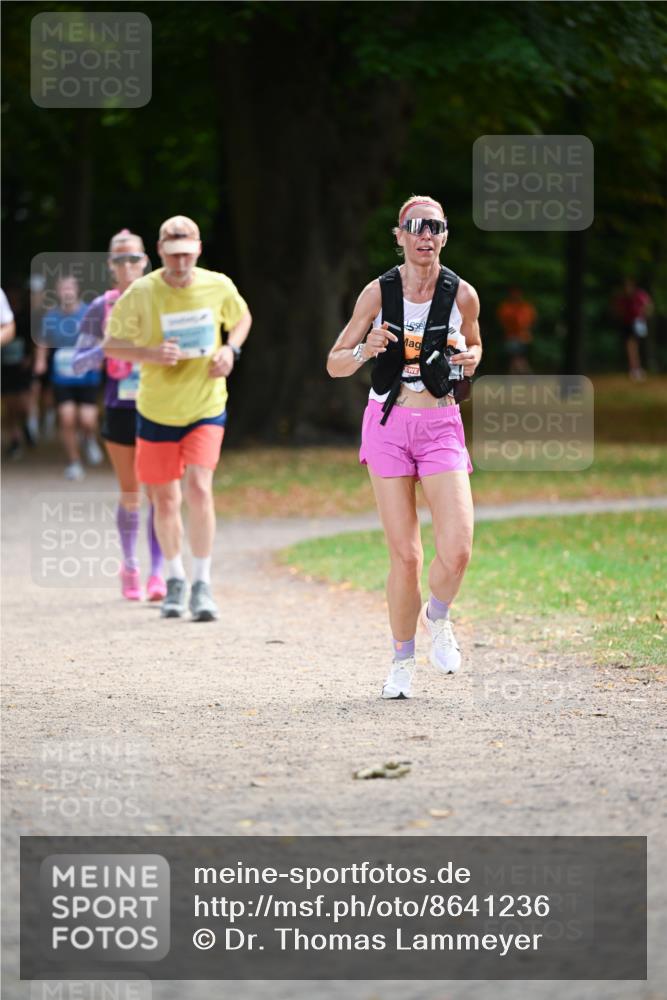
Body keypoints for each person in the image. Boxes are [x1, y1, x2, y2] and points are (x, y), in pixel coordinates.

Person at [327, 195, 482, 700]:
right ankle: (401, 661)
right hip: (388, 425)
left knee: (457, 550)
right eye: (415, 226)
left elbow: (476, 347)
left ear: (445, 235)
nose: (425, 234)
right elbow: (334, 363)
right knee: (407, 557)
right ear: (400, 236)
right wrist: (363, 348)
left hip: (441, 425)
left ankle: (438, 615)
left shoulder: (462, 295)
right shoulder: (378, 292)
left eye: (434, 226)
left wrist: (469, 357)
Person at [103, 215, 252, 622]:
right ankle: (174, 578)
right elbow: (111, 344)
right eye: (173, 255)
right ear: (160, 251)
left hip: (206, 406)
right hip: (157, 410)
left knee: (200, 488)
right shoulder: (142, 292)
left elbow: (241, 318)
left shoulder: (218, 285)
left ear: (198, 249)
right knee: (166, 499)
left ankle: (202, 583)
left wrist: (230, 350)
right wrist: (149, 354)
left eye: (187, 254)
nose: (181, 263)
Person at [72, 229, 166, 602]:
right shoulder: (102, 307)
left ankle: (158, 572)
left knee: (161, 494)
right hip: (120, 408)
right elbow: (77, 362)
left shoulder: (162, 300)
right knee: (131, 493)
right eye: (120, 259)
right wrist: (107, 349)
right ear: (111, 265)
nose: (127, 265)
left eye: (134, 258)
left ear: (146, 261)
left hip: (161, 407)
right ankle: (130, 565)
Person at [35, 275, 104, 480]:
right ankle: (74, 462)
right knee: (67, 418)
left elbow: (101, 338)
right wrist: (40, 360)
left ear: (77, 290)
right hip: (62, 376)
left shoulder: (90, 313)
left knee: (87, 420)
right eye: (63, 288)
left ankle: (89, 438)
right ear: (57, 292)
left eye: (70, 288)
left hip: (87, 375)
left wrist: (99, 358)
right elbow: (42, 340)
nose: (67, 292)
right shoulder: (51, 317)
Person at [1, 284, 36, 458]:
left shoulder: (25, 316)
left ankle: (26, 425)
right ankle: (15, 439)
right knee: (9, 405)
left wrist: (30, 357)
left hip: (21, 365)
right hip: (5, 365)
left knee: (22, 404)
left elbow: (32, 338)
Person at [612, 277, 653, 381]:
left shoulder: (639, 295)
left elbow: (648, 306)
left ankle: (636, 368)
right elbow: (617, 309)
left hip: (638, 322)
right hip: (628, 323)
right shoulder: (622, 298)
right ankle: (635, 368)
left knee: (635, 345)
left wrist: (643, 315)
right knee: (631, 345)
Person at [496, 286, 536, 374]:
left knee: (517, 358)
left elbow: (530, 321)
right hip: (511, 336)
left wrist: (526, 332)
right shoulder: (506, 307)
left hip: (523, 337)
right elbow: (505, 321)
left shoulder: (526, 307)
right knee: (515, 358)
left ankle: (526, 376)